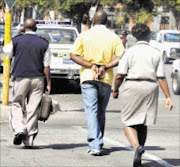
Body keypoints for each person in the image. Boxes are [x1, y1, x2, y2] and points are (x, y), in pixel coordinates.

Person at [112, 24, 173, 167]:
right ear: (148, 35)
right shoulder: (155, 52)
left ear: (134, 36)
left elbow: (120, 74)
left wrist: (115, 90)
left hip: (133, 85)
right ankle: (139, 154)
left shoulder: (129, 52)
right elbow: (161, 77)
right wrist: (168, 97)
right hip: (151, 87)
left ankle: (136, 147)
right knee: (143, 122)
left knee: (128, 121)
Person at [70, 10, 125, 155]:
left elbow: (73, 55)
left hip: (88, 76)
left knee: (91, 110)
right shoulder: (113, 37)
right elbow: (121, 56)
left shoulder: (85, 35)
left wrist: (90, 65)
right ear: (106, 21)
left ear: (93, 21)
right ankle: (97, 142)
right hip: (105, 78)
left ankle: (95, 144)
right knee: (100, 111)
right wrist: (105, 66)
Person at [3, 18, 51, 149]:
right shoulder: (44, 43)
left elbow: (7, 53)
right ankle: (29, 139)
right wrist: (49, 83)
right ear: (36, 28)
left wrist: (17, 36)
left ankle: (19, 129)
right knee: (33, 108)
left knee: (17, 104)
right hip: (38, 79)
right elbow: (46, 66)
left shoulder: (17, 40)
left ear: (24, 28)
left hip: (20, 78)